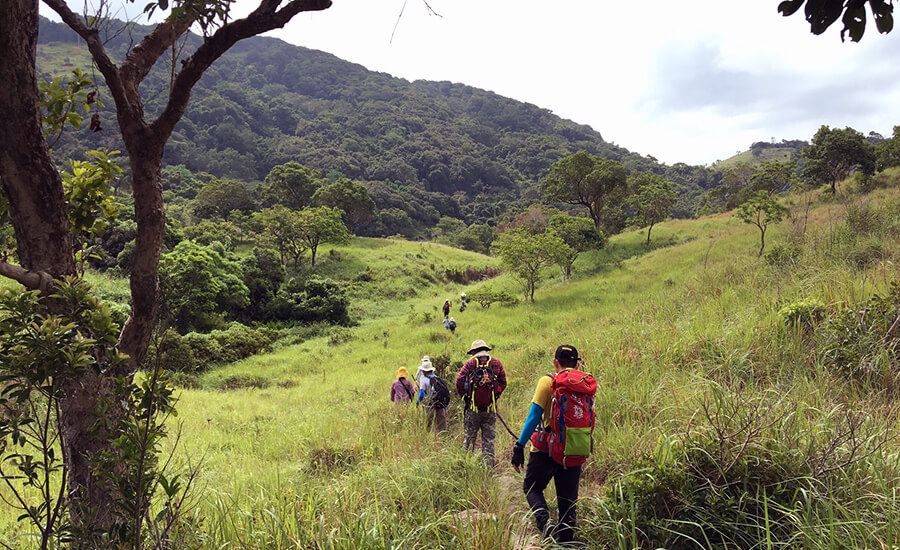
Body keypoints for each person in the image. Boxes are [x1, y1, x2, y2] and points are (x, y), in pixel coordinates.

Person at [511, 345, 592, 545]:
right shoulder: (584, 384)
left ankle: (546, 523)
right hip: (574, 448)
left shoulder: (547, 381)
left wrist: (519, 446)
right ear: (577, 364)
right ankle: (565, 543)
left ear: (555, 362)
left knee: (531, 488)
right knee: (568, 503)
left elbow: (533, 417)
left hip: (545, 450)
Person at [455, 339, 507, 468]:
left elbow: (459, 380)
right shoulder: (496, 362)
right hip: (490, 409)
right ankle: (488, 468)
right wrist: (495, 396)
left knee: (469, 439)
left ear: (473, 351)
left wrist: (465, 398)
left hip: (473, 408)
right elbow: (503, 382)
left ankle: (467, 467)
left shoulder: (471, 363)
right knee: (488, 440)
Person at [417, 361, 449, 433]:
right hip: (439, 403)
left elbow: (421, 393)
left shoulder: (423, 380)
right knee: (441, 422)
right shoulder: (437, 378)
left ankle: (427, 436)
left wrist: (418, 402)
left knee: (427, 422)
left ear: (424, 371)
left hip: (429, 404)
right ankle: (442, 435)